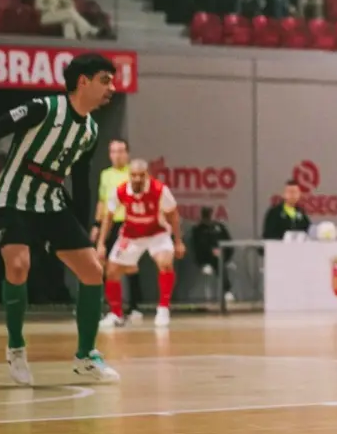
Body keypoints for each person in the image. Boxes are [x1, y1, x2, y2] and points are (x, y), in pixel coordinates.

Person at [0, 54, 120, 386]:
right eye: (105, 80)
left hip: (51, 204)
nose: (112, 88)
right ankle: (17, 347)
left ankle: (85, 357)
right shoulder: (43, 108)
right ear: (83, 82)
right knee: (19, 265)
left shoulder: (91, 131)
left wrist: (84, 229)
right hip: (13, 199)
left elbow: (80, 182)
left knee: (93, 271)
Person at [96, 159, 184, 328]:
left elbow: (173, 214)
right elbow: (108, 216)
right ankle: (116, 314)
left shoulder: (159, 190)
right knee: (112, 271)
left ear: (147, 175)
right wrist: (101, 243)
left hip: (156, 233)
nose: (137, 179)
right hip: (132, 234)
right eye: (133, 175)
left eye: (140, 175)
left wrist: (178, 241)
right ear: (130, 176)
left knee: (165, 263)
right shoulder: (121, 190)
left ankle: (163, 308)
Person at [93, 138, 145, 323]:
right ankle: (112, 308)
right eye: (113, 151)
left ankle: (134, 307)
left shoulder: (134, 174)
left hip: (129, 223)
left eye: (121, 151)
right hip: (110, 223)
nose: (117, 155)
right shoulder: (105, 175)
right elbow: (102, 201)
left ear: (127, 153)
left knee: (129, 266)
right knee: (105, 265)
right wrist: (96, 225)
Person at [190, 206, 234, 302]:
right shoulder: (198, 229)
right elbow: (197, 247)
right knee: (217, 260)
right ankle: (226, 290)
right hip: (205, 258)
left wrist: (223, 253)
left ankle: (227, 291)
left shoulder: (219, 227)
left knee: (220, 262)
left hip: (220, 256)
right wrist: (210, 251)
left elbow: (228, 242)